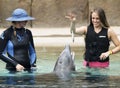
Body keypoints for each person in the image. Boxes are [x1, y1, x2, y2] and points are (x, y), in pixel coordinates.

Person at [0, 8, 37, 72]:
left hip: (28, 69)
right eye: (25, 20)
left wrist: (32, 64)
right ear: (18, 21)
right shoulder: (6, 33)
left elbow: (32, 52)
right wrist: (16, 65)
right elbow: (0, 54)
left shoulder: (28, 32)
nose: (26, 22)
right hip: (12, 70)